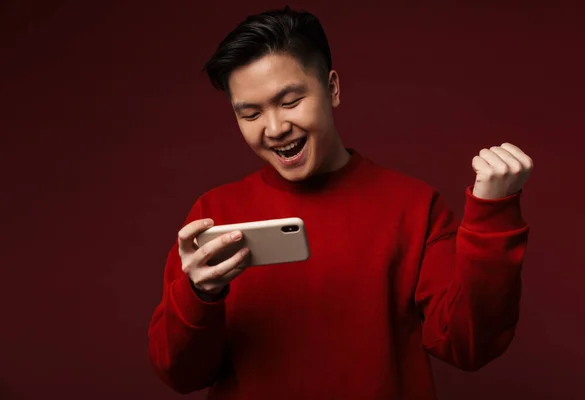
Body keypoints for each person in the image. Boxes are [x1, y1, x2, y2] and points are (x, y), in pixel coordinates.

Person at [148, 6, 533, 399]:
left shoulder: (415, 206)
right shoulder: (215, 214)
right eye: (250, 114)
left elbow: (469, 344)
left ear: (331, 88)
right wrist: (199, 294)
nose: (275, 128)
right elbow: (180, 374)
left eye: (291, 101)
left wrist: (493, 215)